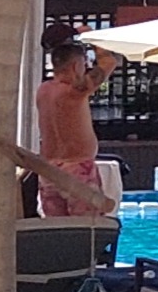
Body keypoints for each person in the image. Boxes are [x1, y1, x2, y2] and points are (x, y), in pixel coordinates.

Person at [34, 31, 125, 226]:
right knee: (85, 230)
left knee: (56, 230)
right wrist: (90, 36)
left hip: (49, 170)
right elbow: (108, 62)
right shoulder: (73, 92)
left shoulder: (43, 90)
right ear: (76, 66)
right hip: (76, 169)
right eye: (84, 64)